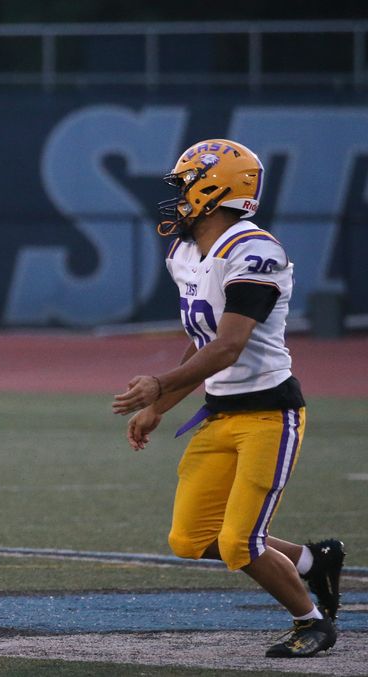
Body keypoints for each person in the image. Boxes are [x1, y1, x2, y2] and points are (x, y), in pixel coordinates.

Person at [112, 139, 345, 658]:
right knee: (190, 539)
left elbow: (229, 345)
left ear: (215, 190)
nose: (177, 197)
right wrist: (162, 406)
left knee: (241, 542)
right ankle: (313, 560)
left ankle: (312, 621)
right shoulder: (186, 252)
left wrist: (158, 385)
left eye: (185, 185)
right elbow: (203, 345)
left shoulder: (254, 251)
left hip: (269, 414)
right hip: (219, 413)